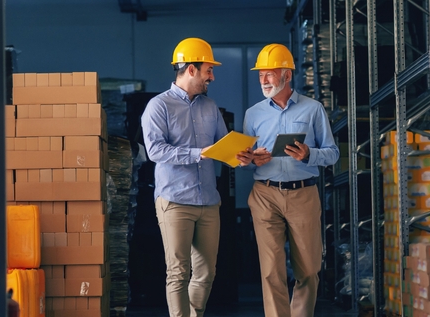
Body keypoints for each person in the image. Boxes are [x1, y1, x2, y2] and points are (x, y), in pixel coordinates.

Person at [141, 37, 253, 317]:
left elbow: (222, 146)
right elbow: (155, 151)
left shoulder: (210, 106)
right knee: (178, 271)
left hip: (208, 201)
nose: (212, 77)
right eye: (208, 70)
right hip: (175, 201)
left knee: (207, 271)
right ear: (191, 69)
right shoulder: (159, 106)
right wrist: (198, 153)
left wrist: (243, 155)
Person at [243, 43, 339, 317]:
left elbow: (332, 153)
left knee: (308, 268)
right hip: (265, 194)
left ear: (286, 74)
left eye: (270, 74)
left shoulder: (313, 109)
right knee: (271, 270)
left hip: (303, 194)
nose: (263, 80)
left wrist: (309, 154)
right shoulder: (253, 114)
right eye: (260, 74)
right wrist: (251, 160)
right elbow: (245, 159)